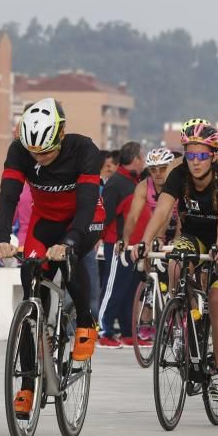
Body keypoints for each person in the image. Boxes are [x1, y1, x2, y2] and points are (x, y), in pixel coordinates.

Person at [0, 97, 104, 417]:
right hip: (45, 222)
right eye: (34, 153)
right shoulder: (18, 151)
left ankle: (85, 321)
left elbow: (85, 204)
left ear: (61, 134)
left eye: (46, 152)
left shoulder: (84, 150)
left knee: (68, 261)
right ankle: (27, 386)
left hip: (84, 219)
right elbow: (9, 197)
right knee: (31, 286)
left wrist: (70, 241)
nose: (39, 158)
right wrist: (1, 239)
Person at [135, 119, 218, 401]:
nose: (195, 162)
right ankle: (182, 319)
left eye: (201, 155)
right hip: (195, 234)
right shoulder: (179, 175)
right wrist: (144, 242)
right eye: (190, 154)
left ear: (212, 155)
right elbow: (162, 211)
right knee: (175, 262)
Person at [122, 147, 179, 342]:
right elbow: (134, 216)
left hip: (179, 226)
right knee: (148, 261)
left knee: (175, 271)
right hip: (158, 228)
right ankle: (149, 296)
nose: (157, 174)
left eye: (162, 168)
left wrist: (177, 242)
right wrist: (126, 240)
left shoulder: (180, 183)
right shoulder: (143, 186)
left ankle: (176, 310)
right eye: (153, 169)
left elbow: (184, 218)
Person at [99, 142, 144, 347]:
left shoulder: (135, 183)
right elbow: (104, 215)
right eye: (142, 157)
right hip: (118, 245)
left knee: (130, 290)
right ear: (135, 159)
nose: (143, 161)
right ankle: (104, 331)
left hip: (135, 247)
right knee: (113, 288)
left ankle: (128, 332)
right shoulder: (116, 183)